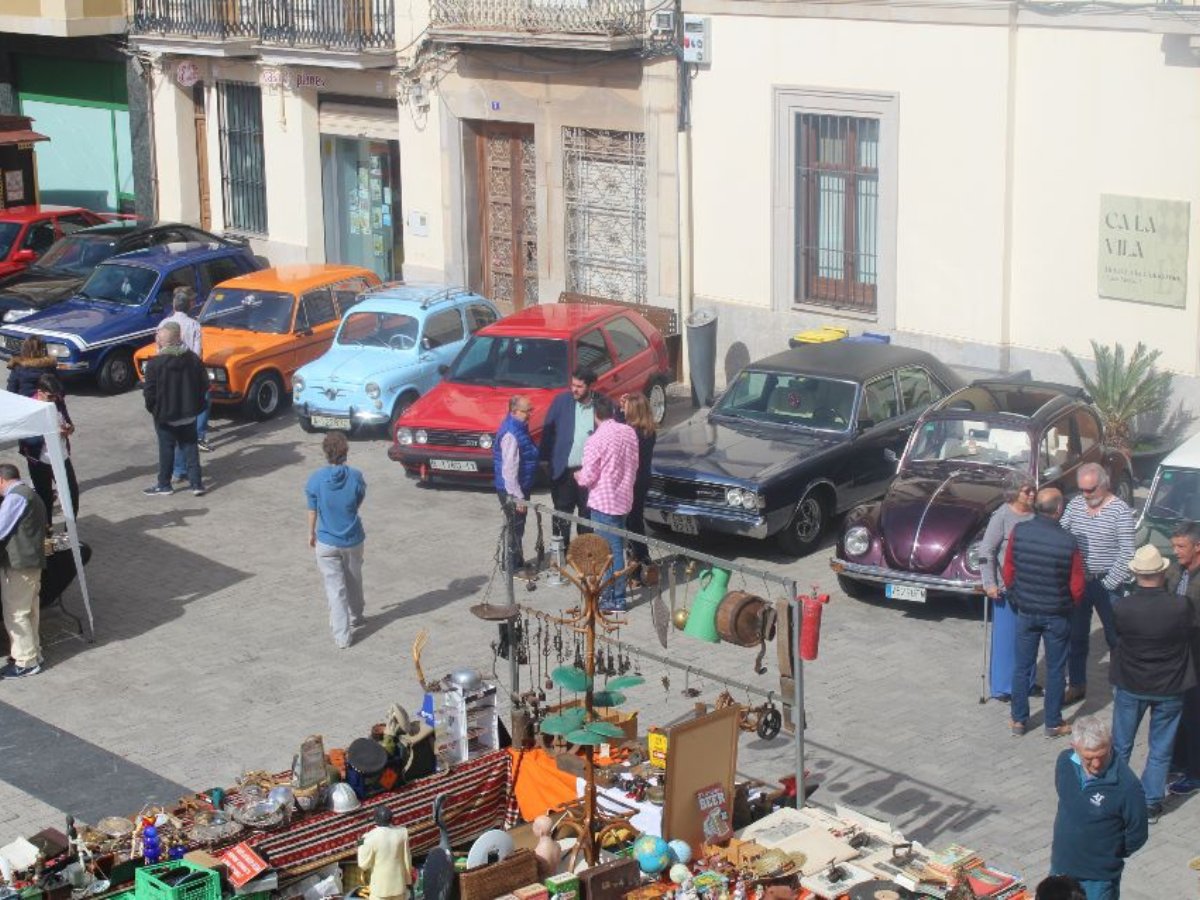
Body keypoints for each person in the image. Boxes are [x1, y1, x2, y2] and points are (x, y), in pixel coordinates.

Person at [1108, 544, 1194, 818]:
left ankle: (1117, 796)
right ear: (1162, 573)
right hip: (1169, 685)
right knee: (1161, 747)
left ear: (1136, 573)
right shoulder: (1180, 606)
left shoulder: (1123, 606)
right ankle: (1150, 802)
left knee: (1121, 744)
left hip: (1131, 682)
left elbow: (1117, 637)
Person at [1003, 487, 1085, 737]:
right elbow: (1078, 586)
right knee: (1056, 669)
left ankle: (1018, 720)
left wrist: (1017, 596)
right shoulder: (1069, 541)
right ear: (1059, 509)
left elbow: (1008, 570)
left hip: (1026, 611)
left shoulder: (1020, 531)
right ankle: (1053, 722)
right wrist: (1069, 605)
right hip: (1057, 614)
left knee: (1022, 667)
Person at [1061, 463, 1135, 705]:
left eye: (1090, 490)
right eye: (1081, 489)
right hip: (1080, 582)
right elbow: (1061, 533)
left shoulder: (1120, 511)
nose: (1085, 495)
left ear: (1104, 485)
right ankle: (1077, 684)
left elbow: (1127, 552)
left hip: (1107, 583)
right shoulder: (1075, 505)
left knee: (1116, 638)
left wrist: (1109, 583)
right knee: (1077, 635)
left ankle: (1119, 686)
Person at [1050, 715, 1148, 900]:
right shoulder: (1064, 762)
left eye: (1101, 756)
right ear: (1075, 748)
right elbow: (1064, 796)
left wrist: (1109, 854)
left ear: (1110, 744)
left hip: (1097, 880)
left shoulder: (1126, 786)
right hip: (1061, 868)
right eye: (1089, 758)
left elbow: (1138, 833)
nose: (1096, 764)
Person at [575, 394, 639, 612]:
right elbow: (634, 463)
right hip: (624, 499)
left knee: (609, 553)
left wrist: (578, 477)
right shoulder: (629, 432)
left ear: (595, 415)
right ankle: (613, 594)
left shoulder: (595, 440)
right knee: (616, 548)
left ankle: (616, 598)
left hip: (604, 502)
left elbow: (589, 475)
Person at [305, 431, 367, 649]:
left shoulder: (315, 479)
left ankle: (342, 637)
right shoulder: (356, 476)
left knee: (335, 590)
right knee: (354, 579)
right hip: (352, 538)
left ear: (325, 452)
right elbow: (359, 499)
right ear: (346, 452)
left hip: (326, 542)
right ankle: (357, 616)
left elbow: (312, 509)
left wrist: (311, 533)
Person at [981, 472, 1037, 702]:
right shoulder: (1002, 517)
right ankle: (1003, 687)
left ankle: (1027, 681)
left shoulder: (1036, 516)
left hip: (1032, 588)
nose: (1033, 494)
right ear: (1015, 493)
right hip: (1006, 588)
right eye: (1027, 490)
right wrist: (990, 583)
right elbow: (987, 551)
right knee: (1006, 638)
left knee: (1030, 638)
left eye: (1034, 489)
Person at [142, 321, 208, 497]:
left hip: (165, 416)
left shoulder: (155, 364)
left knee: (166, 450)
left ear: (162, 342)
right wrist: (196, 406)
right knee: (190, 448)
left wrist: (155, 410)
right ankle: (197, 484)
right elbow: (204, 385)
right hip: (188, 414)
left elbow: (149, 392)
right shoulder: (193, 359)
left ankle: (164, 484)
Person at [0, 463, 48, 677]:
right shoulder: (29, 493)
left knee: (16, 612)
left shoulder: (16, 497)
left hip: (21, 564)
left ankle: (26, 662)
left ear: (1, 480)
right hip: (30, 562)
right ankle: (33, 653)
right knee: (29, 611)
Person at [540, 367, 596, 549]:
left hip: (589, 473)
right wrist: (545, 460)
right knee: (562, 513)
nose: (574, 389)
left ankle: (584, 555)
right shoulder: (561, 401)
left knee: (587, 515)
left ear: (589, 386)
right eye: (572, 385)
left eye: (579, 386)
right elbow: (547, 431)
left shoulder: (601, 404)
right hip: (564, 471)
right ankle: (560, 555)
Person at [162, 286, 213, 474]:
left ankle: (173, 472)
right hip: (188, 378)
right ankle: (183, 468)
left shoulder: (163, 324)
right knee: (188, 423)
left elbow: (158, 353)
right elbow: (197, 354)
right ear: (189, 305)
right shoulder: (194, 325)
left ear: (174, 305)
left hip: (168, 378)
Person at [1166, 521, 1200, 796]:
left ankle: (1195, 771)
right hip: (1177, 657)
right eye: (1174, 545)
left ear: (1197, 547)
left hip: (1196, 657)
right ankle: (1177, 761)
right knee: (1176, 710)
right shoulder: (1176, 570)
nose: (1175, 551)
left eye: (1181, 546)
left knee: (1193, 714)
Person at [22, 374, 79, 524]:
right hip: (40, 461)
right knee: (45, 498)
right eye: (50, 396)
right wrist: (51, 432)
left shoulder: (58, 401)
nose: (54, 399)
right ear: (40, 392)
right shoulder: (29, 408)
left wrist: (69, 428)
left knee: (72, 495)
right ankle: (48, 533)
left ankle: (69, 534)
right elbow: (27, 439)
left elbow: (68, 421)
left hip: (62, 456)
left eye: (56, 396)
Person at [493, 395, 538, 572]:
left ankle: (517, 560)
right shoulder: (511, 433)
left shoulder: (519, 427)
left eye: (530, 410)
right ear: (514, 411)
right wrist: (518, 497)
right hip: (512, 491)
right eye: (527, 411)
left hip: (520, 487)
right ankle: (510, 566)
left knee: (519, 527)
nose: (530, 415)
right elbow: (509, 470)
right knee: (514, 528)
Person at [620, 392, 657, 583]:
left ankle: (640, 564)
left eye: (626, 408)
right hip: (643, 480)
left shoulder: (632, 433)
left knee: (631, 524)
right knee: (636, 521)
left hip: (632, 482)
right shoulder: (648, 430)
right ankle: (642, 562)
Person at [357, 807, 412, 900]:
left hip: (380, 889)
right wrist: (408, 881)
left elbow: (363, 864)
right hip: (399, 886)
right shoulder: (402, 833)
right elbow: (407, 859)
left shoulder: (368, 838)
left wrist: (360, 843)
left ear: (376, 819)